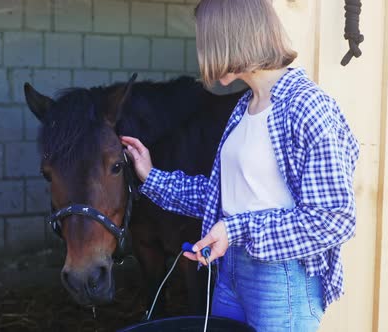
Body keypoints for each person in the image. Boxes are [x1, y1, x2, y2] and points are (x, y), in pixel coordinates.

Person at [121, 0, 359, 330]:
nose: (204, 53)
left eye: (208, 42)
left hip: (280, 278)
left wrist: (235, 230)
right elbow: (223, 197)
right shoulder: (245, 106)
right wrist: (151, 175)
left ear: (233, 38)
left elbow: (334, 219)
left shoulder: (305, 106)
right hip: (231, 270)